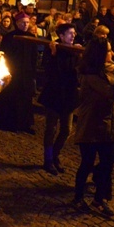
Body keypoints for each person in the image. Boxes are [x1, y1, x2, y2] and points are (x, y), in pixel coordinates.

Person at [71, 37, 114, 217]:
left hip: (108, 125)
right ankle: (78, 198)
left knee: (107, 164)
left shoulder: (111, 70)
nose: (112, 53)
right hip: (91, 124)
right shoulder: (90, 75)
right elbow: (112, 93)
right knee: (87, 162)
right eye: (109, 50)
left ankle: (99, 199)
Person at [37, 23, 80, 175]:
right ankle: (48, 159)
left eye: (74, 33)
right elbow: (50, 71)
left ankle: (55, 155)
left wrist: (79, 54)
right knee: (51, 128)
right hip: (55, 94)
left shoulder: (76, 51)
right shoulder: (53, 50)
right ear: (61, 36)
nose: (73, 36)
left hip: (68, 95)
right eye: (70, 33)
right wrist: (54, 54)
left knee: (66, 129)